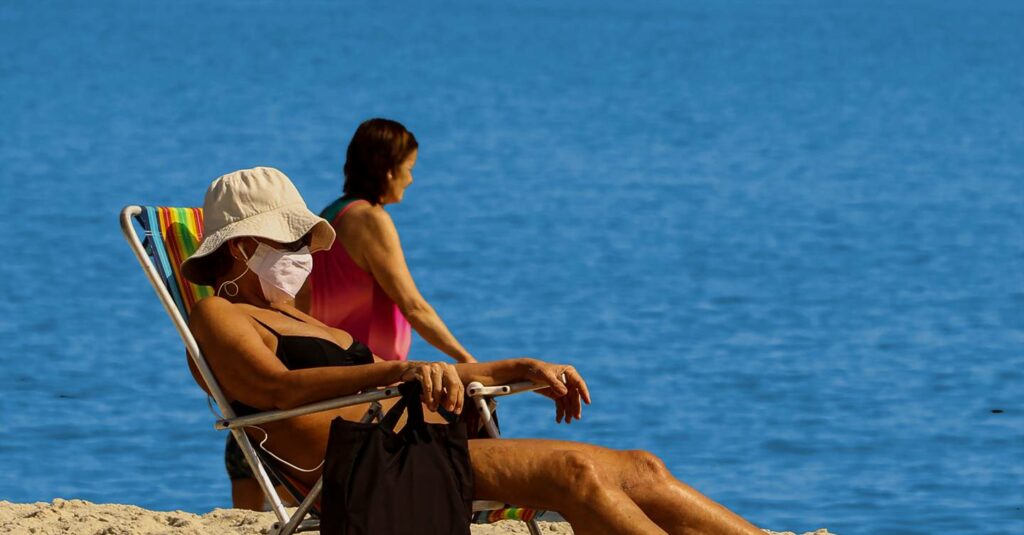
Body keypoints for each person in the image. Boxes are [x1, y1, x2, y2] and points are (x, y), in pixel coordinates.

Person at [182, 167, 764, 535]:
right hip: (366, 466)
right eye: (294, 239)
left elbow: (410, 375)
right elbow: (271, 391)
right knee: (575, 472)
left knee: (643, 466)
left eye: (308, 239)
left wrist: (522, 369)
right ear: (242, 247)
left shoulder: (294, 316)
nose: (308, 251)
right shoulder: (217, 313)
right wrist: (400, 368)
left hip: (417, 443)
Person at [298, 118, 474, 365]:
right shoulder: (371, 219)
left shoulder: (329, 215)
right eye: (409, 168)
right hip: (367, 372)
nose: (411, 180)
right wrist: (464, 357)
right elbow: (413, 306)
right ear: (389, 170)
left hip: (331, 363)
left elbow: (304, 298)